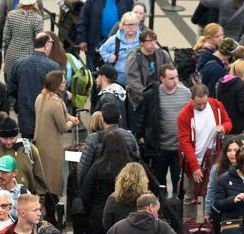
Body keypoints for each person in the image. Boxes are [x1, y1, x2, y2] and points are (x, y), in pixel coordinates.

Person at [177, 83, 233, 221]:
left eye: (204, 103)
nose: (202, 107)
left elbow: (228, 122)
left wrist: (223, 128)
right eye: (198, 104)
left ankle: (203, 221)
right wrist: (194, 166)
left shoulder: (216, 105)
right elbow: (185, 143)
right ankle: (189, 224)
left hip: (214, 157)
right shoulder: (184, 115)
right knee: (191, 194)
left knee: (208, 192)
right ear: (192, 99)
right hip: (194, 159)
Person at [0, 117, 48, 197]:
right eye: (5, 139)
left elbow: (39, 176)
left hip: (25, 198)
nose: (9, 142)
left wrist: (40, 199)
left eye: (12, 138)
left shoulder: (29, 149)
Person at [144, 65, 191, 195]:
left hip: (179, 147)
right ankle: (161, 207)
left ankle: (178, 207)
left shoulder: (186, 93)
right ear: (162, 78)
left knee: (178, 179)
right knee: (159, 179)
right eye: (171, 78)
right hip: (161, 147)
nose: (175, 81)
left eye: (176, 77)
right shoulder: (154, 94)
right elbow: (146, 116)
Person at [34, 71, 79, 201]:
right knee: (53, 179)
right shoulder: (56, 103)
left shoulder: (40, 97)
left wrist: (68, 117)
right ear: (57, 85)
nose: (65, 83)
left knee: (43, 176)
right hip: (52, 146)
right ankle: (53, 209)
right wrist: (72, 121)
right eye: (63, 82)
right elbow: (63, 127)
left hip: (40, 143)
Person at [76, 102, 140, 188]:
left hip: (99, 187)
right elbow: (136, 162)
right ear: (120, 117)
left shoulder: (92, 139)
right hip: (124, 186)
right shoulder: (130, 137)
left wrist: (83, 188)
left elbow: (83, 168)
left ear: (102, 119)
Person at [9, 33, 61, 139]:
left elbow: (11, 89)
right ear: (46, 45)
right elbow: (58, 92)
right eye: (51, 43)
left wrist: (18, 107)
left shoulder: (19, 64)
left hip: (25, 115)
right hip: (47, 117)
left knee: (27, 150)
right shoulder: (53, 66)